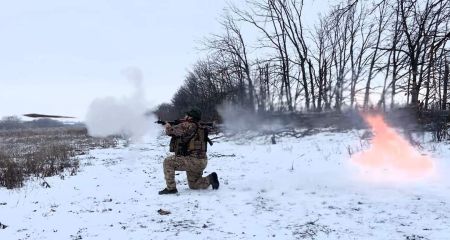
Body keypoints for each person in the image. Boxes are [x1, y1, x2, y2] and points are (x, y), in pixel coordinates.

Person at [158, 107, 219, 195]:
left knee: (168, 162)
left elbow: (170, 131)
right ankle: (211, 178)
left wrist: (167, 125)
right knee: (194, 185)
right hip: (202, 161)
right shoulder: (200, 127)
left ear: (191, 117)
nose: (185, 116)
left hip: (193, 161)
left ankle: (171, 188)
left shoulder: (188, 125)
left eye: (187, 115)